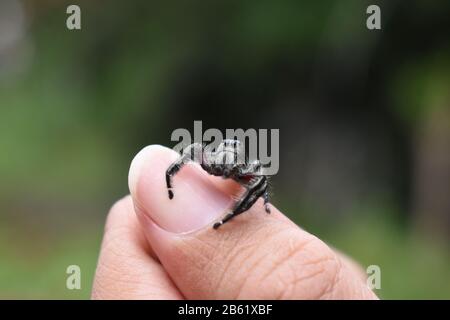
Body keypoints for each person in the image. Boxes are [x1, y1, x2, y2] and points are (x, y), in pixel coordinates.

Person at [91, 145, 378, 299]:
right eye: (221, 165)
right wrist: (170, 183)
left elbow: (261, 180)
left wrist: (248, 207)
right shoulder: (209, 159)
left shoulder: (244, 172)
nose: (224, 170)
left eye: (232, 167)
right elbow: (190, 152)